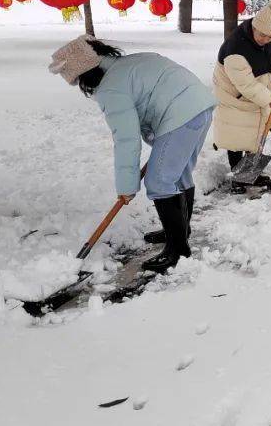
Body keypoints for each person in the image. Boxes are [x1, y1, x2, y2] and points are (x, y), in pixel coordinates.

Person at [47, 36, 216, 273]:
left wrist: (126, 186)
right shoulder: (130, 63)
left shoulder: (111, 88)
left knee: (159, 181)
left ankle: (178, 250)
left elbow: (126, 140)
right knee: (178, 174)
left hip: (180, 115)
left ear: (85, 75)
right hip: (200, 106)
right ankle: (180, 232)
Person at [211, 0, 271, 178]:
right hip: (233, 95)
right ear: (254, 27)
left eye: (270, 37)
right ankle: (238, 177)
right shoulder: (235, 50)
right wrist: (269, 98)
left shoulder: (267, 35)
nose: (265, 40)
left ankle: (250, 174)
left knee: (255, 133)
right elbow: (246, 85)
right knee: (237, 135)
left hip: (253, 93)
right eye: (262, 35)